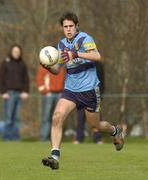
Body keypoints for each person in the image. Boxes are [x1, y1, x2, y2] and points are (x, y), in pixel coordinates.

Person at [41, 12, 124, 170]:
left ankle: (115, 131)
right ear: (62, 28)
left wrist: (76, 53)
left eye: (71, 26)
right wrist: (48, 66)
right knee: (57, 117)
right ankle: (55, 157)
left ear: (76, 26)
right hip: (71, 90)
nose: (68, 29)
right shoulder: (61, 45)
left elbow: (97, 56)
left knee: (96, 125)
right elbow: (58, 70)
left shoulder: (85, 38)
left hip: (89, 90)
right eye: (65, 27)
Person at [0, 44, 29, 141]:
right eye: (15, 51)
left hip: (19, 94)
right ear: (11, 52)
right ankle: (7, 138)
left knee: (17, 118)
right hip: (9, 94)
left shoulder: (22, 63)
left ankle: (15, 138)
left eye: (18, 52)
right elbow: (0, 78)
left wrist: (25, 91)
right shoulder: (6, 62)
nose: (17, 53)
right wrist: (3, 92)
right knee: (8, 118)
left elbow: (26, 79)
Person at [73, 62, 105, 144]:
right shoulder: (79, 64)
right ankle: (79, 138)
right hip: (81, 94)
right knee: (80, 117)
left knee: (96, 117)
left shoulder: (98, 65)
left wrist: (101, 94)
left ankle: (97, 138)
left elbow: (102, 80)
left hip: (94, 94)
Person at [36, 65, 65, 141]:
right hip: (49, 94)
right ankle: (44, 137)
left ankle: (55, 138)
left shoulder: (62, 66)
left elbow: (65, 79)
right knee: (46, 117)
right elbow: (40, 79)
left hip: (60, 94)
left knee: (58, 117)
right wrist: (45, 91)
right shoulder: (46, 65)